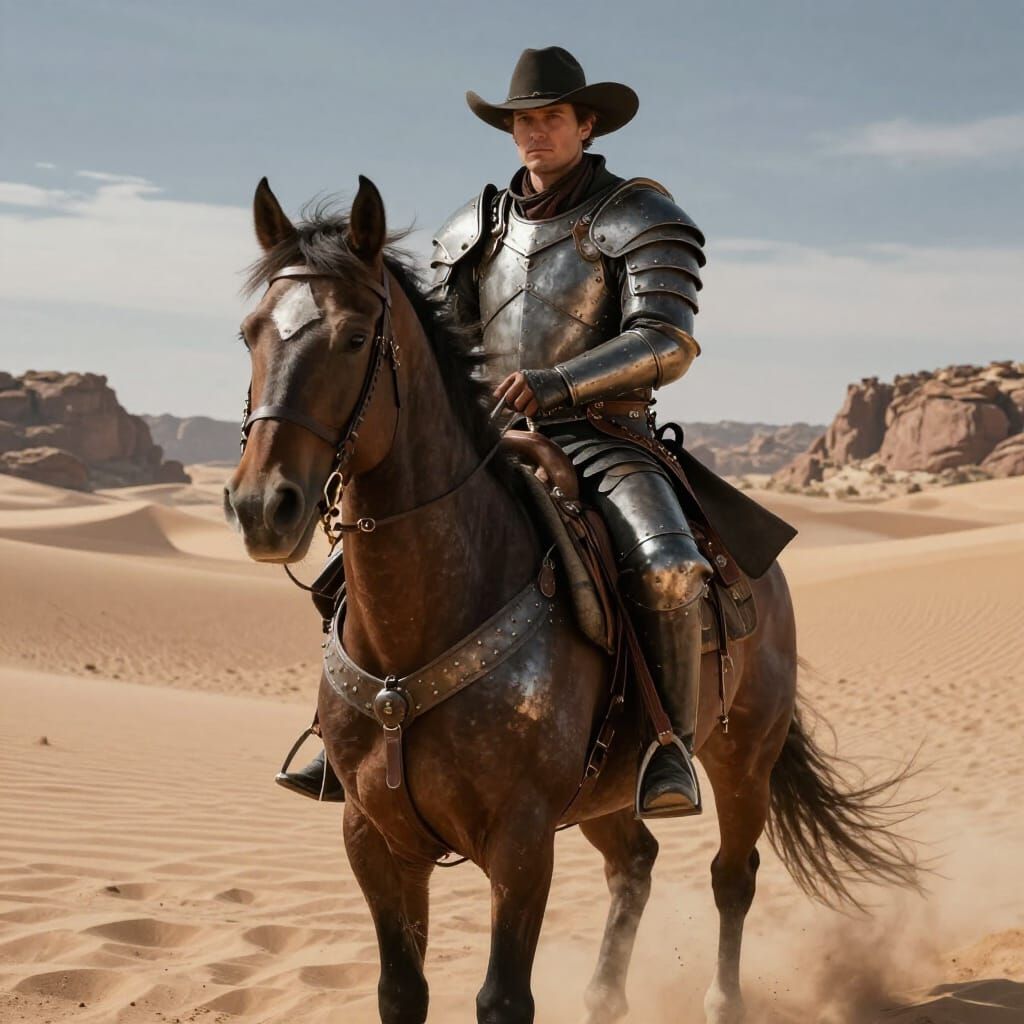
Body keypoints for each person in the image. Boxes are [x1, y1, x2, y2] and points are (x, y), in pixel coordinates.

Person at [279, 46, 712, 817]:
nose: (535, 133)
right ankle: (337, 733)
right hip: (491, 434)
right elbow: (443, 349)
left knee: (668, 566)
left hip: (605, 436)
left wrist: (557, 382)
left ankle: (667, 748)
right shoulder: (469, 229)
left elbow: (666, 341)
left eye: (550, 118)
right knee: (360, 555)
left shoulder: (642, 218)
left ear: (586, 124)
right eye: (522, 121)